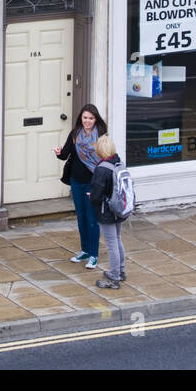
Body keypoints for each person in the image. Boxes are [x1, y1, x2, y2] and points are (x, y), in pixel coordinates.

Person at [53, 103, 105, 269]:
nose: (87, 121)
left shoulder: (101, 136)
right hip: (76, 181)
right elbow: (65, 154)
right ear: (80, 118)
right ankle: (85, 250)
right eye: (85, 118)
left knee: (92, 219)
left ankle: (94, 255)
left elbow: (106, 157)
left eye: (90, 118)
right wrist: (58, 152)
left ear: (95, 119)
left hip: (93, 182)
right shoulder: (75, 133)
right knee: (81, 218)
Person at [89, 135, 127, 289]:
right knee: (117, 239)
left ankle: (114, 277)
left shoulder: (102, 169)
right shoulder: (119, 162)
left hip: (107, 211)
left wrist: (91, 196)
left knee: (111, 243)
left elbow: (97, 195)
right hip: (119, 209)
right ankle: (121, 270)